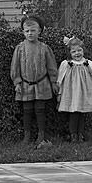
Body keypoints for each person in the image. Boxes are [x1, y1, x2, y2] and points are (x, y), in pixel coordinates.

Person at [9, 14, 59, 147]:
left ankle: (41, 135)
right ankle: (27, 136)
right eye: (27, 31)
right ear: (23, 32)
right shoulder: (19, 48)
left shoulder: (44, 48)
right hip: (25, 85)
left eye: (33, 30)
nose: (30, 33)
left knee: (40, 109)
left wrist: (54, 82)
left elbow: (51, 66)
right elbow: (15, 67)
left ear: (39, 31)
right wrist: (17, 82)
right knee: (27, 110)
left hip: (42, 84)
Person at [56, 35, 92, 143]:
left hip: (83, 93)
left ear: (83, 50)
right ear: (69, 53)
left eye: (79, 50)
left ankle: (80, 134)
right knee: (74, 113)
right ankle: (73, 135)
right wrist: (60, 92)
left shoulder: (88, 63)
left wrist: (89, 86)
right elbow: (60, 79)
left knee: (82, 113)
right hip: (71, 93)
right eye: (74, 51)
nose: (77, 53)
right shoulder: (66, 64)